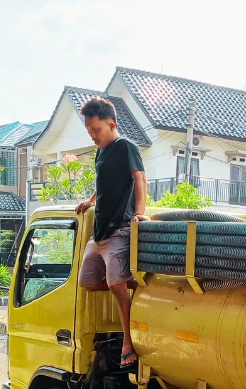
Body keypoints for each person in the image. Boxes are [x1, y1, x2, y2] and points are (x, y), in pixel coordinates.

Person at [75, 97, 148, 367]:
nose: (93, 136)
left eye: (96, 130)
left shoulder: (125, 146)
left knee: (115, 286)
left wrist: (140, 212)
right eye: (89, 131)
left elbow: (139, 177)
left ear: (111, 124)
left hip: (120, 228)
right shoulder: (101, 151)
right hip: (100, 232)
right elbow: (102, 180)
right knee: (87, 281)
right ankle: (135, 282)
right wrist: (92, 199)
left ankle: (128, 342)